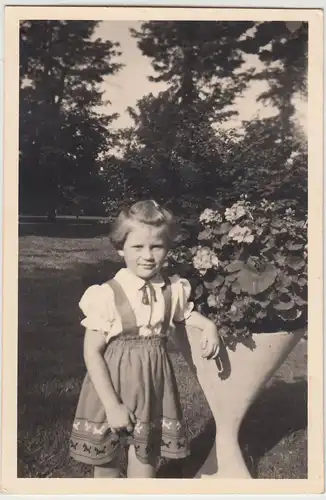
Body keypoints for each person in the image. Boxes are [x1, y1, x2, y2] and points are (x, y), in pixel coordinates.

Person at [69, 200, 220, 478]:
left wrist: (208, 325)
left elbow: (184, 315)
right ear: (120, 248)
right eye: (137, 247)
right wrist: (112, 405)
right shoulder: (106, 295)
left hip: (153, 385)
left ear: (167, 248)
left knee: (146, 457)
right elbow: (92, 351)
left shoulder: (172, 290)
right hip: (112, 386)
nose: (148, 255)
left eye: (156, 246)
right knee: (107, 465)